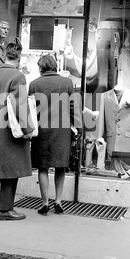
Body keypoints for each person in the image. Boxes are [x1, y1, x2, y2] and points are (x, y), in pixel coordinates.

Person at [0, 38, 34, 221]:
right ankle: (5, 209)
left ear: (4, 56)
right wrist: (29, 130)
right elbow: (21, 106)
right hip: (10, 132)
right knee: (10, 170)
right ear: (19, 58)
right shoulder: (17, 77)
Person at [28, 55, 82, 215]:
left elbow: (30, 109)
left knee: (43, 167)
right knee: (60, 167)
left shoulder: (34, 84)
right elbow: (74, 107)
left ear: (41, 67)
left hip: (42, 131)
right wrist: (77, 127)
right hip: (62, 131)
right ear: (55, 66)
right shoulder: (66, 83)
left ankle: (45, 203)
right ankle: (58, 201)